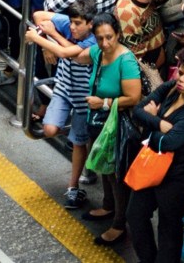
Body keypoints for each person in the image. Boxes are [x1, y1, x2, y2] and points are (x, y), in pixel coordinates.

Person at [125, 45, 184, 263]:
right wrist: (160, 123)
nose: (181, 77)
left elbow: (168, 142)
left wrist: (153, 126)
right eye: (180, 71)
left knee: (169, 228)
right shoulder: (172, 88)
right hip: (152, 167)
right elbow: (139, 111)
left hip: (177, 178)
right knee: (135, 215)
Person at [23, 0, 97, 208]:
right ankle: (74, 133)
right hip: (64, 89)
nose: (72, 27)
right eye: (71, 23)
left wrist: (49, 39)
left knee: (79, 142)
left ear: (90, 24)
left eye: (78, 24)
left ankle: (73, 188)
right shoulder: (68, 22)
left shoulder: (94, 41)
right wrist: (47, 37)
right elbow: (39, 16)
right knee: (49, 128)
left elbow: (69, 53)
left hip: (85, 98)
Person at [80, 12, 142, 247]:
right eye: (99, 38)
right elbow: (75, 54)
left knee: (115, 174)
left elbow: (134, 97)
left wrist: (104, 103)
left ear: (118, 34)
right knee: (104, 167)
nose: (105, 43)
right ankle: (107, 205)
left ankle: (119, 223)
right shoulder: (98, 53)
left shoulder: (125, 60)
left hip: (115, 124)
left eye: (109, 37)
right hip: (98, 122)